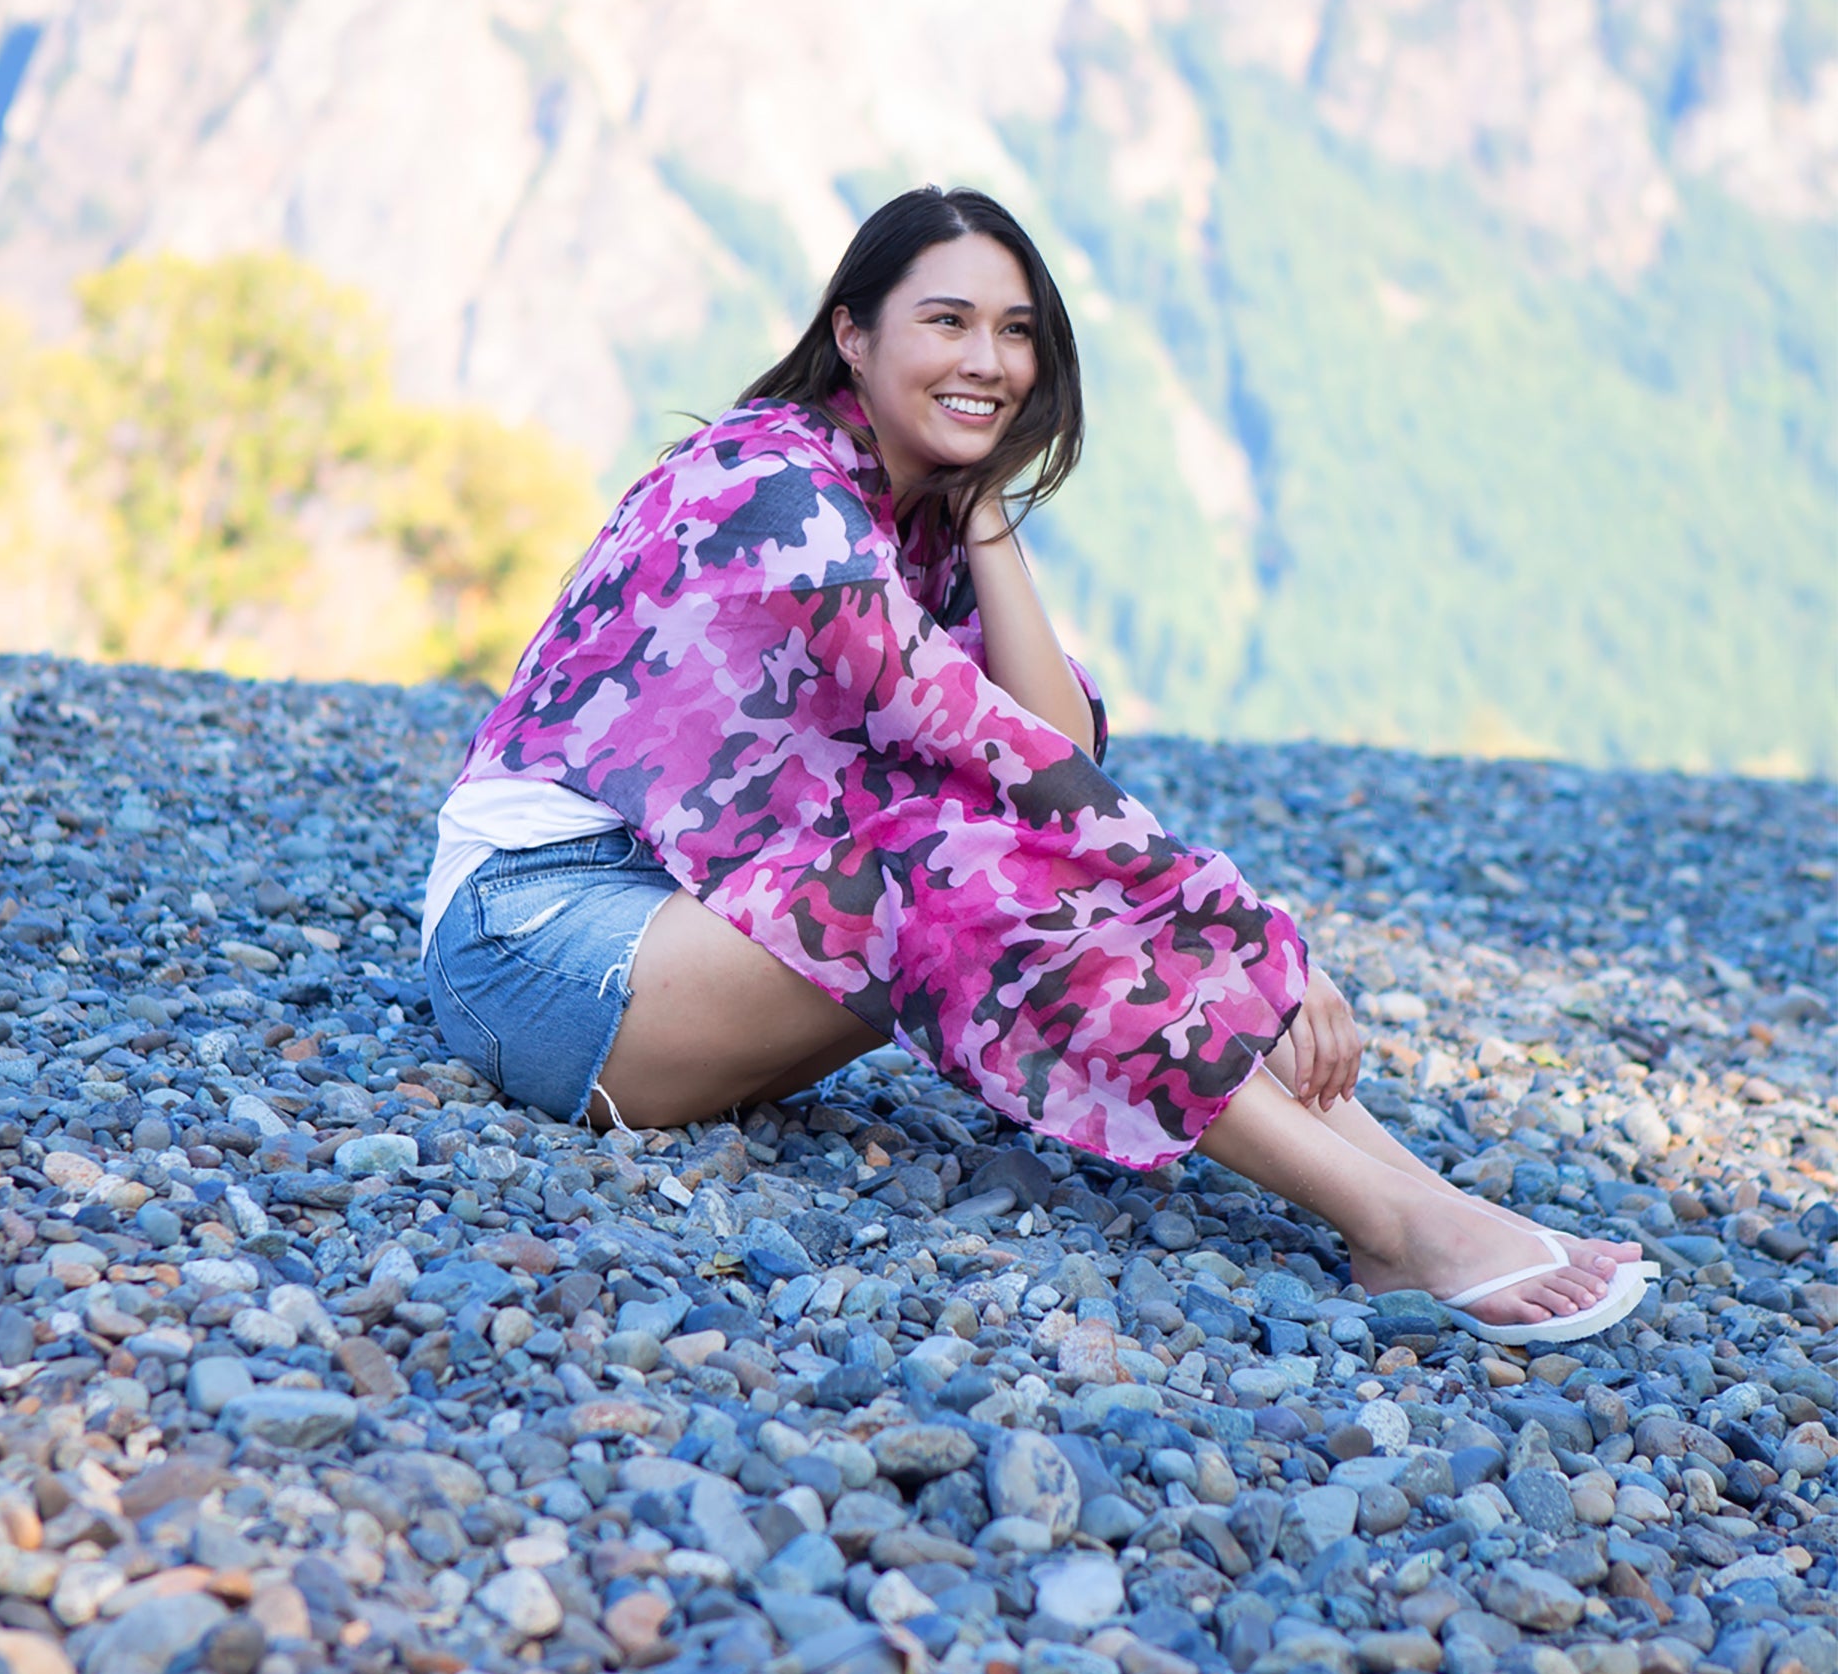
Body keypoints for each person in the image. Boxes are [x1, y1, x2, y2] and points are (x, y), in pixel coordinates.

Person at [421, 186, 1653, 1344]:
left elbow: (1059, 752)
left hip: (683, 935)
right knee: (942, 857)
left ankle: (1426, 1200)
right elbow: (997, 753)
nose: (987, 360)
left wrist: (987, 513)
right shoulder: (772, 488)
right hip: (538, 948)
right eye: (945, 321)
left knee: (989, 853)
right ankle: (1391, 1225)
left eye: (1013, 331)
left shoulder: (912, 512)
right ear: (850, 335)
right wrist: (1249, 938)